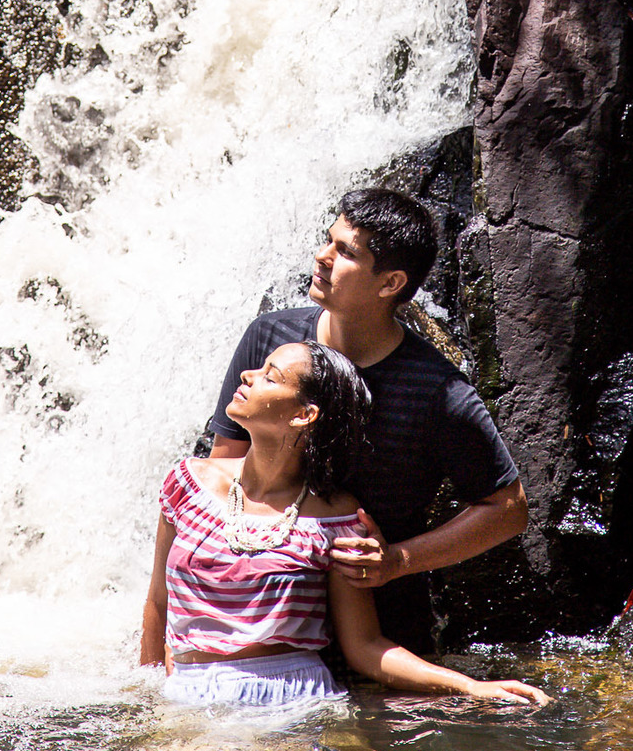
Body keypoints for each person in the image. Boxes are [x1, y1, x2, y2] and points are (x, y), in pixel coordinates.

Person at [141, 338, 549, 708]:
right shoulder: (187, 483)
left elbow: (365, 646)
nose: (248, 375)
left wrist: (469, 686)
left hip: (290, 701)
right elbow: (158, 603)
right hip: (189, 693)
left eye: (270, 376)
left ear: (304, 414)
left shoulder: (335, 516)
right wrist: (146, 698)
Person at [208, 188, 528, 655]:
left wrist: (397, 560)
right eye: (328, 240)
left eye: (345, 252)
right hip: (259, 619)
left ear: (390, 283)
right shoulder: (271, 339)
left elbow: (509, 509)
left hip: (382, 633)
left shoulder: (437, 392)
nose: (322, 257)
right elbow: (225, 467)